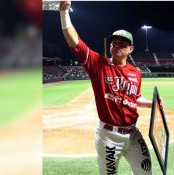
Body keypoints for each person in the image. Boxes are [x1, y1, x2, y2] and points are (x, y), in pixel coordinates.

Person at [59, 1, 162, 174]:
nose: (116, 46)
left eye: (122, 44)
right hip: (108, 137)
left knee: (146, 171)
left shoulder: (136, 73)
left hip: (133, 134)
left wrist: (153, 103)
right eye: (114, 43)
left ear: (131, 49)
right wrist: (63, 12)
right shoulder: (98, 64)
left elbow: (135, 98)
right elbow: (74, 40)